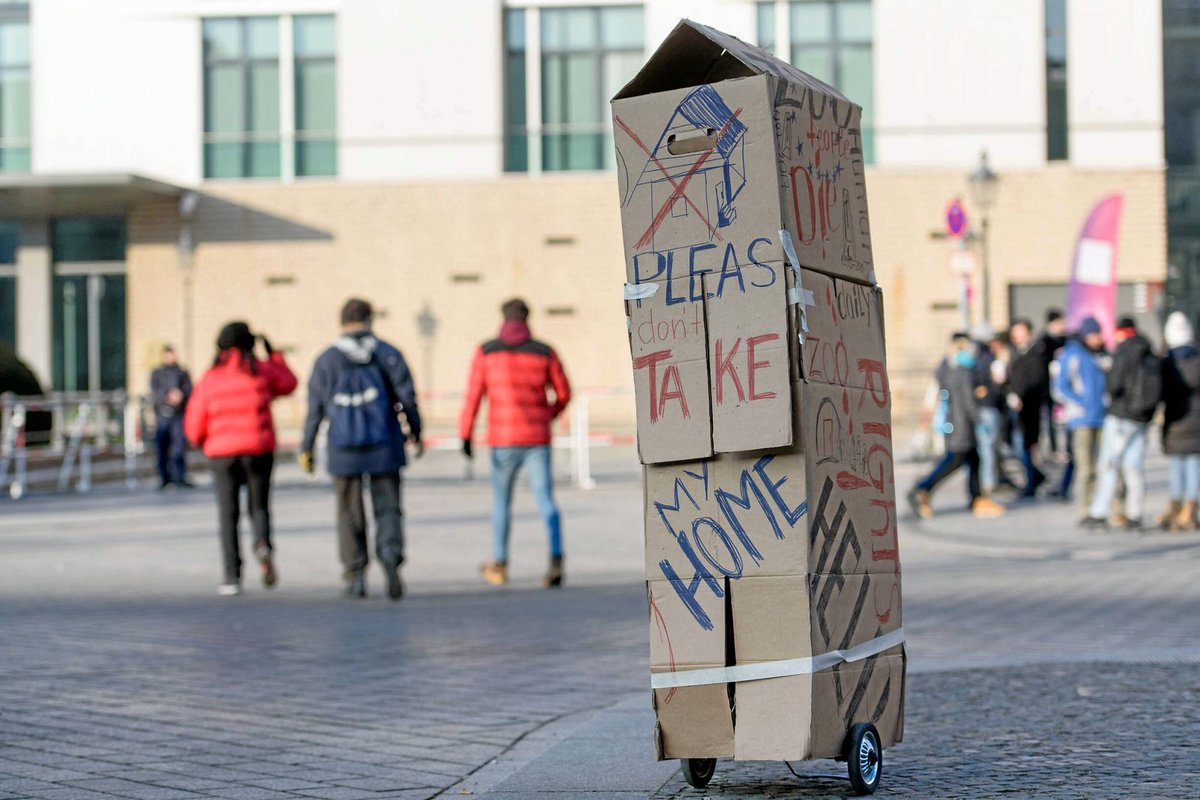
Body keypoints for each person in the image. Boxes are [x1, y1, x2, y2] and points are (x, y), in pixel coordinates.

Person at [299, 298, 423, 600]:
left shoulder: (327, 360)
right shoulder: (387, 354)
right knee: (389, 507)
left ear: (342, 322)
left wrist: (307, 447)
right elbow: (407, 398)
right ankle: (391, 555)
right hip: (385, 445)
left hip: (343, 449)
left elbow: (315, 408)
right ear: (370, 319)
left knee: (348, 512)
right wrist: (415, 432)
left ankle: (355, 573)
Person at [459, 298, 571, 587]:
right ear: (527, 319)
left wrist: (466, 435)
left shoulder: (486, 352)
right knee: (546, 500)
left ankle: (499, 563)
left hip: (503, 440)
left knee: (501, 503)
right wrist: (548, 415)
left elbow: (473, 397)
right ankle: (556, 559)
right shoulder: (545, 352)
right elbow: (564, 393)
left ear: (504, 319)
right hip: (537, 439)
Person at [184, 322, 297, 596]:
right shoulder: (261, 371)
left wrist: (201, 441)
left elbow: (194, 422)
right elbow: (289, 383)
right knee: (259, 505)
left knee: (228, 514)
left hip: (222, 454)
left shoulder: (210, 377)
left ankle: (232, 576)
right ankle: (262, 544)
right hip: (258, 450)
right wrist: (275, 356)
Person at [907, 334, 1005, 520]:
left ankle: (976, 498)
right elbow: (968, 402)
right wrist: (979, 420)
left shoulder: (950, 369)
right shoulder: (964, 371)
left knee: (973, 460)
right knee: (953, 461)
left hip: (955, 422)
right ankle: (922, 488)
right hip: (962, 426)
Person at [1081, 317, 1161, 530]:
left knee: (1109, 465)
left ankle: (1099, 512)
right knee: (1134, 467)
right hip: (1142, 419)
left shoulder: (1124, 352)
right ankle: (1135, 514)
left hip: (1120, 416)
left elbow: (1113, 384)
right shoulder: (1149, 352)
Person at [1052, 317, 1107, 519]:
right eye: (1095, 335)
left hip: (1101, 417)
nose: (1099, 339)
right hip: (1082, 419)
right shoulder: (1072, 355)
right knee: (1086, 468)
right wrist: (1082, 402)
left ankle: (1102, 505)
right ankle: (1086, 508)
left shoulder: (1099, 355)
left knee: (1105, 465)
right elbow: (1060, 387)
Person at [1158, 311, 1200, 531]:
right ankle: (1191, 512)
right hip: (1197, 422)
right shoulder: (1197, 359)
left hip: (1175, 421)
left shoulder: (1166, 364)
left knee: (1177, 467)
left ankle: (1176, 510)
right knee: (1194, 466)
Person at [1007, 318, 1052, 498]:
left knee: (1026, 445)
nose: (1016, 336)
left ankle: (1033, 481)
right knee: (1019, 445)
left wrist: (1020, 396)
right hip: (1019, 406)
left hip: (1030, 407)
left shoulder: (1036, 353)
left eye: (1020, 332)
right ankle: (1035, 476)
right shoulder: (1017, 353)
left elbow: (1035, 380)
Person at [149, 345, 193, 489]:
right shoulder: (157, 373)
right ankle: (163, 477)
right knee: (162, 447)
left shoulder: (182, 372)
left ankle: (179, 476)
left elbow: (189, 389)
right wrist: (167, 396)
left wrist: (180, 395)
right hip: (163, 414)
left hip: (178, 415)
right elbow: (155, 392)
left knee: (178, 446)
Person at [971, 323, 1005, 498]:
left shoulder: (975, 357)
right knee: (988, 446)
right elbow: (994, 382)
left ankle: (988, 480)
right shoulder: (987, 358)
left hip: (981, 407)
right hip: (988, 407)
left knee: (986, 447)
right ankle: (989, 482)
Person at [1040, 308, 1068, 456]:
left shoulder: (1066, 340)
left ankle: (1068, 448)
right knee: (1051, 420)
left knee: (1066, 417)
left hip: (1064, 385)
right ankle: (1054, 448)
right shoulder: (1044, 341)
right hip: (1048, 387)